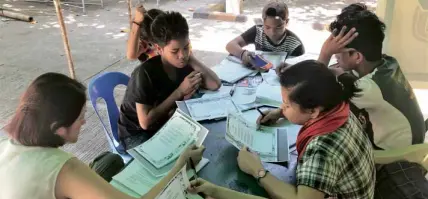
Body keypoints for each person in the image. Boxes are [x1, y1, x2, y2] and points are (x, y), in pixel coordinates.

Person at [0, 72, 206, 199]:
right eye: (79, 117)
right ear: (57, 127)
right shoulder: (63, 168)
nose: (84, 122)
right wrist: (181, 165)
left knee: (109, 161)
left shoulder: (5, 144)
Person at [189, 60, 376, 199]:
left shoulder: (322, 149)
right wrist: (281, 112)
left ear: (313, 110)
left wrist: (257, 170)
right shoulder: (337, 107)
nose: (283, 107)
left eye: (287, 104)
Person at [318, 3, 425, 150]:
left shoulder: (369, 89)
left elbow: (314, 93)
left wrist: (325, 54)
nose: (334, 56)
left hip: (396, 154)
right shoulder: (387, 62)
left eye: (337, 51)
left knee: (324, 134)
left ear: (356, 56)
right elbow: (336, 72)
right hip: (408, 136)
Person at [119, 11, 221, 151]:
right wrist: (179, 91)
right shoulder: (145, 73)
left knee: (208, 140)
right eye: (175, 51)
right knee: (182, 156)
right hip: (136, 134)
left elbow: (214, 84)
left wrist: (190, 57)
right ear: (159, 49)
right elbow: (145, 123)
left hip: (166, 122)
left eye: (186, 47)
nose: (182, 55)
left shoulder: (183, 61)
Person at [226, 1, 304, 68]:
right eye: (267, 27)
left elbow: (299, 69)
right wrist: (243, 54)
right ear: (263, 22)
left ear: (286, 22)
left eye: (278, 27)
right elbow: (230, 45)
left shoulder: (295, 45)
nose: (272, 32)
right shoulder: (257, 31)